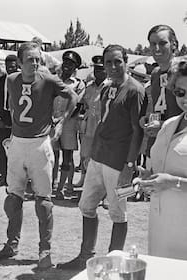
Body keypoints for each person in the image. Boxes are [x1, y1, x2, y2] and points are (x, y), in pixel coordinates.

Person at [57, 45, 147, 270]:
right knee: (86, 205)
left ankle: (113, 261)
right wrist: (89, 154)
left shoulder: (135, 90)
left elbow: (138, 131)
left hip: (120, 163)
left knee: (118, 213)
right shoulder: (106, 89)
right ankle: (85, 255)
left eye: (118, 61)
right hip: (98, 158)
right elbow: (101, 123)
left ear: (126, 62)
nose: (113, 67)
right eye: (109, 62)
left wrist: (130, 165)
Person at [0, 42, 78, 269]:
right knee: (12, 199)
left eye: (38, 59)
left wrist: (60, 124)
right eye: (30, 59)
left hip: (40, 144)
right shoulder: (11, 80)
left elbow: (73, 96)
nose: (35, 63)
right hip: (18, 143)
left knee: (44, 202)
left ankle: (44, 249)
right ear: (19, 62)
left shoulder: (48, 79)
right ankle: (12, 243)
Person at [136, 59, 187, 260]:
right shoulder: (168, 125)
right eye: (180, 92)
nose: (185, 99)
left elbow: (171, 178)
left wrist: (172, 182)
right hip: (161, 223)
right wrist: (148, 177)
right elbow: (164, 167)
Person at [141, 25, 183, 157]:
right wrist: (148, 119)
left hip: (179, 146)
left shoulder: (183, 71)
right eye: (153, 44)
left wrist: (164, 125)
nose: (157, 48)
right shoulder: (155, 73)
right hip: (157, 144)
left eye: (162, 43)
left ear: (174, 44)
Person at [53, 50, 85, 199]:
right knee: (52, 156)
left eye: (71, 64)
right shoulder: (54, 80)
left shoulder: (78, 84)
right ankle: (52, 183)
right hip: (52, 121)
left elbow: (78, 106)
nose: (67, 66)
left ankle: (65, 185)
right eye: (65, 62)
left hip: (69, 123)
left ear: (75, 67)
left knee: (68, 156)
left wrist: (63, 119)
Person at [74, 55, 107, 188]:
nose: (98, 72)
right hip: (88, 127)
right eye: (96, 69)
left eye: (101, 69)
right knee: (85, 155)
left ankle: (101, 189)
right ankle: (84, 181)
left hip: (103, 128)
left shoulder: (110, 87)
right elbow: (82, 104)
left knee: (101, 159)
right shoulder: (89, 87)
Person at [0, 54, 19, 187]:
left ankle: (17, 180)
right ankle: (4, 177)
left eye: (14, 67)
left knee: (17, 152)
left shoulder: (22, 81)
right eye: (9, 67)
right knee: (1, 150)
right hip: (2, 119)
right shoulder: (1, 81)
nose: (11, 70)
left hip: (17, 119)